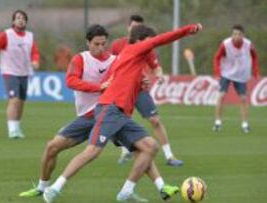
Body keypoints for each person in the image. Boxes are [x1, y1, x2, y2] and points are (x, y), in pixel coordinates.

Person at [43, 23, 202, 203]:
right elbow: (161, 40)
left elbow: (119, 79)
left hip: (121, 114)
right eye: (148, 43)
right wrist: (188, 29)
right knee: (92, 151)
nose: (151, 47)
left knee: (150, 147)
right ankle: (54, 189)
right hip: (110, 109)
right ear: (140, 41)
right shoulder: (135, 49)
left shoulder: (130, 58)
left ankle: (127, 192)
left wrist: (140, 82)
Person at [111, 14, 183, 166]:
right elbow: (110, 67)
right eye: (133, 26)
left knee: (155, 120)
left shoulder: (147, 46)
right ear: (128, 27)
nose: (135, 29)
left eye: (138, 27)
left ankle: (169, 156)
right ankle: (125, 151)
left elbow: (156, 67)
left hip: (140, 89)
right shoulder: (117, 45)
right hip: (122, 91)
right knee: (120, 121)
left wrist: (160, 75)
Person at [0, 10, 40, 139]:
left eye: (23, 18)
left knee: (20, 102)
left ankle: (17, 127)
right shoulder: (6, 35)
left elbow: (34, 51)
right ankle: (12, 130)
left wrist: (35, 61)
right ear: (13, 21)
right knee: (13, 100)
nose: (21, 20)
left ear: (26, 21)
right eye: (18, 18)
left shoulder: (30, 36)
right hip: (9, 72)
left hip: (24, 73)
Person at [213, 24, 259, 133]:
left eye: (239, 34)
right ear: (232, 35)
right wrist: (217, 72)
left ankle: (245, 124)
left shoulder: (248, 44)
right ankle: (218, 123)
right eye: (234, 34)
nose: (236, 36)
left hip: (241, 74)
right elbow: (216, 58)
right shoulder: (225, 44)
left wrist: (256, 71)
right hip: (226, 73)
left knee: (243, 99)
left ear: (243, 35)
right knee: (221, 96)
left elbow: (255, 57)